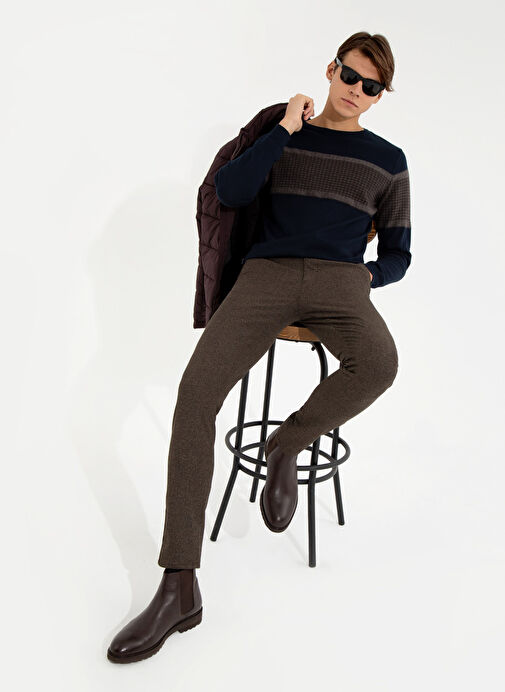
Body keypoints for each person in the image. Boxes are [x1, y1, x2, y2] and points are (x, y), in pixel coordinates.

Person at [107, 30, 411, 664]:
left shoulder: (389, 161)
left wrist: (364, 277)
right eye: (349, 76)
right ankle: (179, 584)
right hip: (265, 277)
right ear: (330, 70)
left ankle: (286, 444)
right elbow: (231, 192)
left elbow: (399, 253)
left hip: (341, 283)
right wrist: (284, 129)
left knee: (380, 364)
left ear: (381, 95)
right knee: (195, 397)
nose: (356, 91)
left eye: (371, 86)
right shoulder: (285, 133)